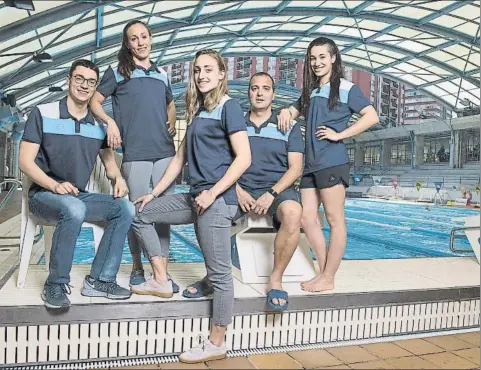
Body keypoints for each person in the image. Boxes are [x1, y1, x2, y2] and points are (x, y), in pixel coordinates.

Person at [132, 49, 251, 363]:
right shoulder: (198, 112)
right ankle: (160, 279)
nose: (202, 75)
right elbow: (179, 159)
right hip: (195, 197)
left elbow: (244, 158)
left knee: (220, 276)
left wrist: (213, 193)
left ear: (222, 73)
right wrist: (153, 193)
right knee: (141, 213)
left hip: (215, 201)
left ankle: (217, 341)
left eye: (209, 69)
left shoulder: (229, 107)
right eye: (197, 70)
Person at [182, 72, 304, 311]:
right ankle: (212, 278)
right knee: (210, 210)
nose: (259, 93)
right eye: (254, 88)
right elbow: (224, 162)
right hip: (240, 188)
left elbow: (296, 168)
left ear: (273, 94)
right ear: (248, 92)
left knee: (293, 213)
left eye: (265, 88)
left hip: (276, 190)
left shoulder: (288, 125)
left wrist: (271, 193)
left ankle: (275, 280)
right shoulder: (236, 122)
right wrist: (237, 190)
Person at [19, 59, 134, 310]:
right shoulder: (43, 112)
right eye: (79, 79)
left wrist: (119, 179)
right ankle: (56, 283)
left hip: (78, 196)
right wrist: (54, 185)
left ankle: (100, 280)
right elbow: (25, 162)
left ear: (95, 88)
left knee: (124, 208)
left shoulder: (97, 125)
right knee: (74, 208)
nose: (84, 85)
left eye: (91, 82)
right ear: (68, 81)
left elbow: (109, 161)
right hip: (43, 195)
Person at [278, 37, 379, 292]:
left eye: (323, 57)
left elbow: (372, 115)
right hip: (310, 165)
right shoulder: (311, 91)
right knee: (307, 218)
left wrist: (340, 134)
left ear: (333, 58)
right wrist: (284, 112)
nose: (317, 62)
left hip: (332, 161)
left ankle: (328, 276)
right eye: (312, 58)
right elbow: (293, 111)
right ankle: (325, 273)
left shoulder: (346, 88)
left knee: (335, 220)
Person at [90, 20, 179, 295]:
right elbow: (94, 100)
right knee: (138, 213)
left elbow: (170, 102)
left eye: (143, 37)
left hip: (165, 152)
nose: (140, 42)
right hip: (136, 154)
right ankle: (139, 268)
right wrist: (110, 122)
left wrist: (173, 121)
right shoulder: (118, 72)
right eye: (133, 39)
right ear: (127, 44)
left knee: (162, 216)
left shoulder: (162, 73)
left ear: (150, 39)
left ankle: (160, 272)